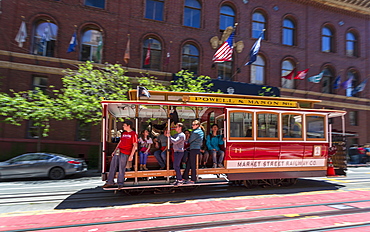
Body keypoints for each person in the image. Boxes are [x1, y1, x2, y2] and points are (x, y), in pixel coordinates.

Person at [103, 120, 138, 189]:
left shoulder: (133, 134)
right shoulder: (124, 133)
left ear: (128, 126)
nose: (123, 126)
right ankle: (110, 182)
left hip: (126, 152)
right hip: (119, 151)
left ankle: (120, 183)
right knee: (113, 165)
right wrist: (114, 150)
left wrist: (131, 155)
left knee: (121, 168)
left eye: (124, 125)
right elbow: (120, 142)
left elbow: (135, 146)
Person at [182, 120, 204, 184]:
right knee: (189, 163)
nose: (192, 126)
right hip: (196, 148)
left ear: (197, 125)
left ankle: (193, 179)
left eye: (194, 125)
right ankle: (185, 177)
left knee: (192, 164)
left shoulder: (195, 132)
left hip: (193, 149)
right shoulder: (201, 131)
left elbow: (190, 140)